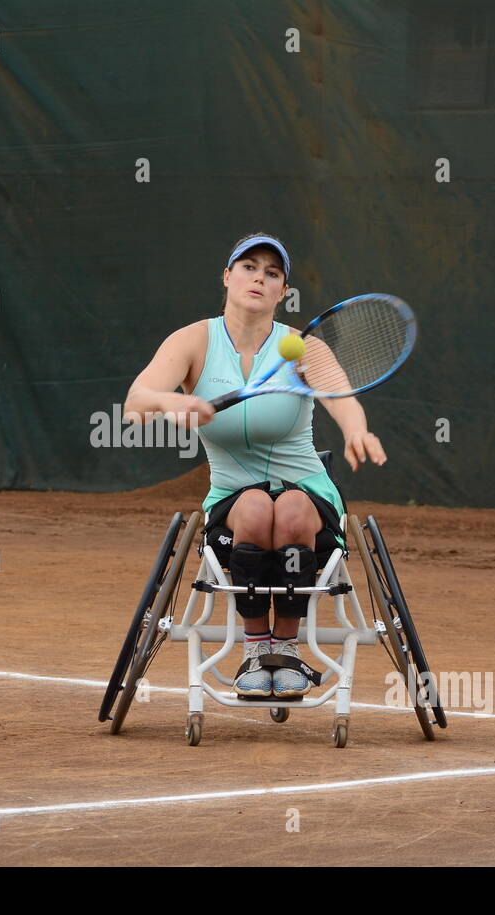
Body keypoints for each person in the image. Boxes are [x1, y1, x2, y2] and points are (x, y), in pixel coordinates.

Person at [123, 232, 387, 700]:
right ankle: (253, 647)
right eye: (248, 267)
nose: (258, 278)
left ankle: (284, 648)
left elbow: (341, 398)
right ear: (227, 277)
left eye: (272, 273)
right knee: (253, 506)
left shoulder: (301, 347)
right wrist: (172, 403)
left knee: (286, 508)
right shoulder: (193, 341)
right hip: (231, 500)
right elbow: (135, 404)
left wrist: (355, 431)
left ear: (282, 291)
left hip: (306, 499)